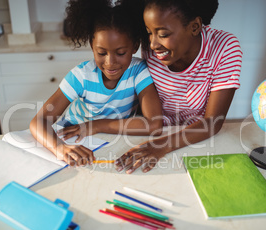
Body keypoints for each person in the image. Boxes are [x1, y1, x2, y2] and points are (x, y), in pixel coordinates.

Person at [30, 0, 163, 167]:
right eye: (101, 53)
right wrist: (59, 148)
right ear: (92, 46)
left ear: (135, 46)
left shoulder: (138, 72)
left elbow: (154, 124)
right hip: (75, 138)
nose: (110, 62)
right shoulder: (81, 76)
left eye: (121, 53)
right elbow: (39, 121)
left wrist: (97, 125)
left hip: (111, 138)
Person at [115, 0, 243, 173]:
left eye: (163, 34)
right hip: (154, 132)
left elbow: (212, 122)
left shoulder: (224, 47)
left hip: (196, 138)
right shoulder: (150, 47)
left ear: (195, 27)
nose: (153, 44)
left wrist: (160, 146)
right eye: (149, 33)